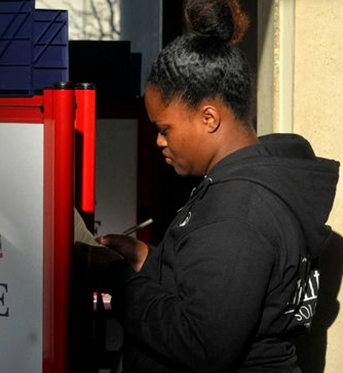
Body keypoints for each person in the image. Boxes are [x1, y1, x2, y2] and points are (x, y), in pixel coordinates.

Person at [94, 0, 340, 372]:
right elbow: (217, 283)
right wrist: (148, 259)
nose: (159, 142)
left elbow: (201, 342)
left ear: (209, 117)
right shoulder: (243, 186)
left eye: (165, 129)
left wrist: (118, 280)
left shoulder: (238, 211)